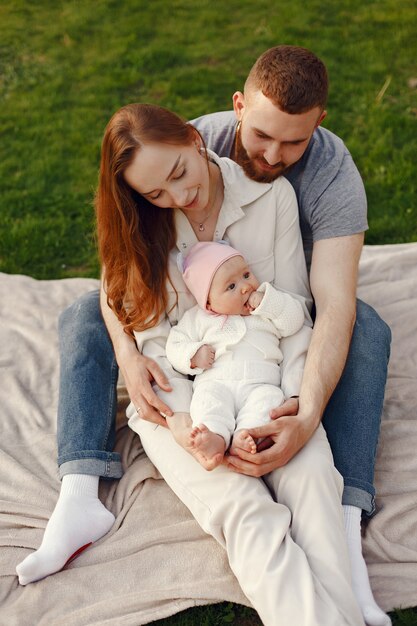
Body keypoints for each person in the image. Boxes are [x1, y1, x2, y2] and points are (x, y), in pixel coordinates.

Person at [16, 44, 391, 626]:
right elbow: (131, 312)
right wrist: (174, 405)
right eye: (156, 193)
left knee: (316, 480)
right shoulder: (146, 201)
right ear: (232, 114)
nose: (178, 197)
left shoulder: (280, 194)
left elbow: (314, 309)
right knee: (249, 513)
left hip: (267, 368)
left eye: (179, 177)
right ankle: (78, 491)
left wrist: (300, 407)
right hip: (184, 389)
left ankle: (348, 527)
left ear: (197, 143)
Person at [161, 240, 308, 469]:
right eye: (230, 287)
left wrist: (268, 304)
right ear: (208, 301)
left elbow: (294, 320)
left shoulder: (264, 307)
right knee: (207, 402)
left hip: (261, 383)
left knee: (268, 403)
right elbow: (174, 345)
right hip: (216, 381)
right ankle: (213, 438)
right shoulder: (198, 318)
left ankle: (246, 436)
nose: (245, 287)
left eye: (246, 275)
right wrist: (193, 355)